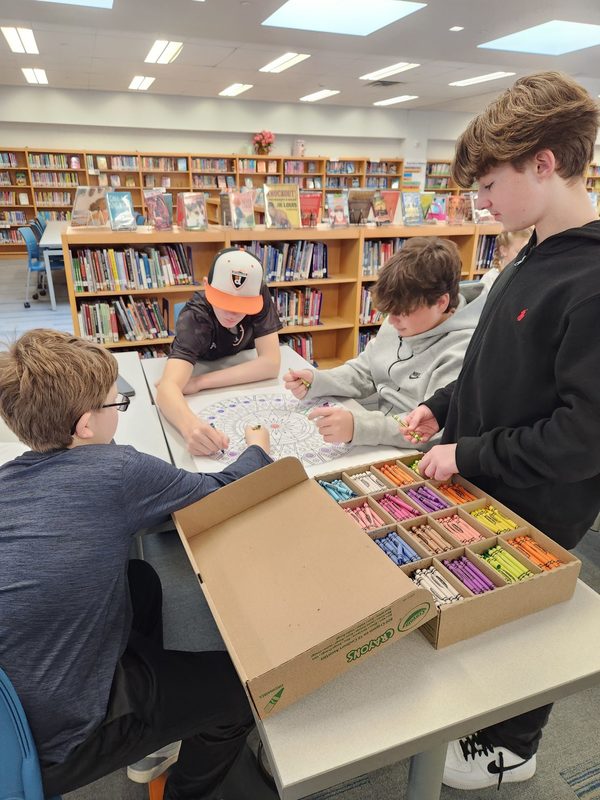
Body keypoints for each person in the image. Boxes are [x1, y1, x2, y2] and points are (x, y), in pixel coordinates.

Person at [400, 72, 600, 791]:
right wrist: (448, 405)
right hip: (486, 471)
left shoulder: (592, 280)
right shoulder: (530, 249)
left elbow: (583, 438)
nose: (478, 203)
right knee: (485, 610)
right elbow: (501, 361)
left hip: (542, 498)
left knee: (526, 621)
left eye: (487, 185)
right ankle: (487, 716)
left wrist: (470, 450)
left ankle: (514, 747)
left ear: (543, 163)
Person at [0, 328, 274, 800]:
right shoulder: (117, 472)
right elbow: (225, 489)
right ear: (86, 425)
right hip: (54, 739)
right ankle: (184, 790)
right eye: (115, 405)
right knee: (243, 692)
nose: (119, 414)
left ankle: (149, 729)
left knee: (139, 579)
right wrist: (260, 448)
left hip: (19, 697)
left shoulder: (9, 479)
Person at [283, 237, 486, 447]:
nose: (391, 321)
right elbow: (365, 371)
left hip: (412, 452)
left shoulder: (462, 349)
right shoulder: (400, 321)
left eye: (404, 312)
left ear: (441, 303)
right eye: (389, 312)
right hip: (380, 434)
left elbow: (430, 431)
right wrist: (318, 380)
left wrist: (360, 427)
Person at [157, 247, 282, 456]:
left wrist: (200, 382)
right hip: (204, 362)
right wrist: (191, 428)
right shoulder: (195, 317)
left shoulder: (260, 295)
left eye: (242, 305)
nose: (232, 313)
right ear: (207, 286)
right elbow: (166, 388)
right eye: (224, 301)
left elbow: (271, 364)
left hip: (234, 364)